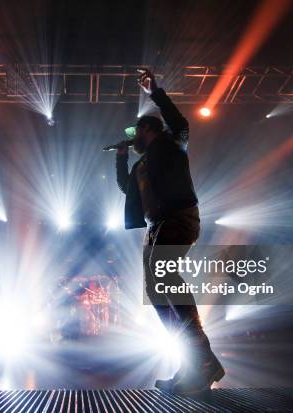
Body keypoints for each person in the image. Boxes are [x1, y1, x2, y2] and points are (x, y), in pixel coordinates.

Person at [115, 69, 224, 394]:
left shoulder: (170, 143)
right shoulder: (141, 164)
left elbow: (181, 124)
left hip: (178, 218)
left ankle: (203, 361)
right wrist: (121, 158)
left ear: (149, 129)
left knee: (163, 279)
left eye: (136, 131)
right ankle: (192, 362)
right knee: (156, 292)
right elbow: (126, 188)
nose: (132, 136)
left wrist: (156, 93)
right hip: (156, 227)